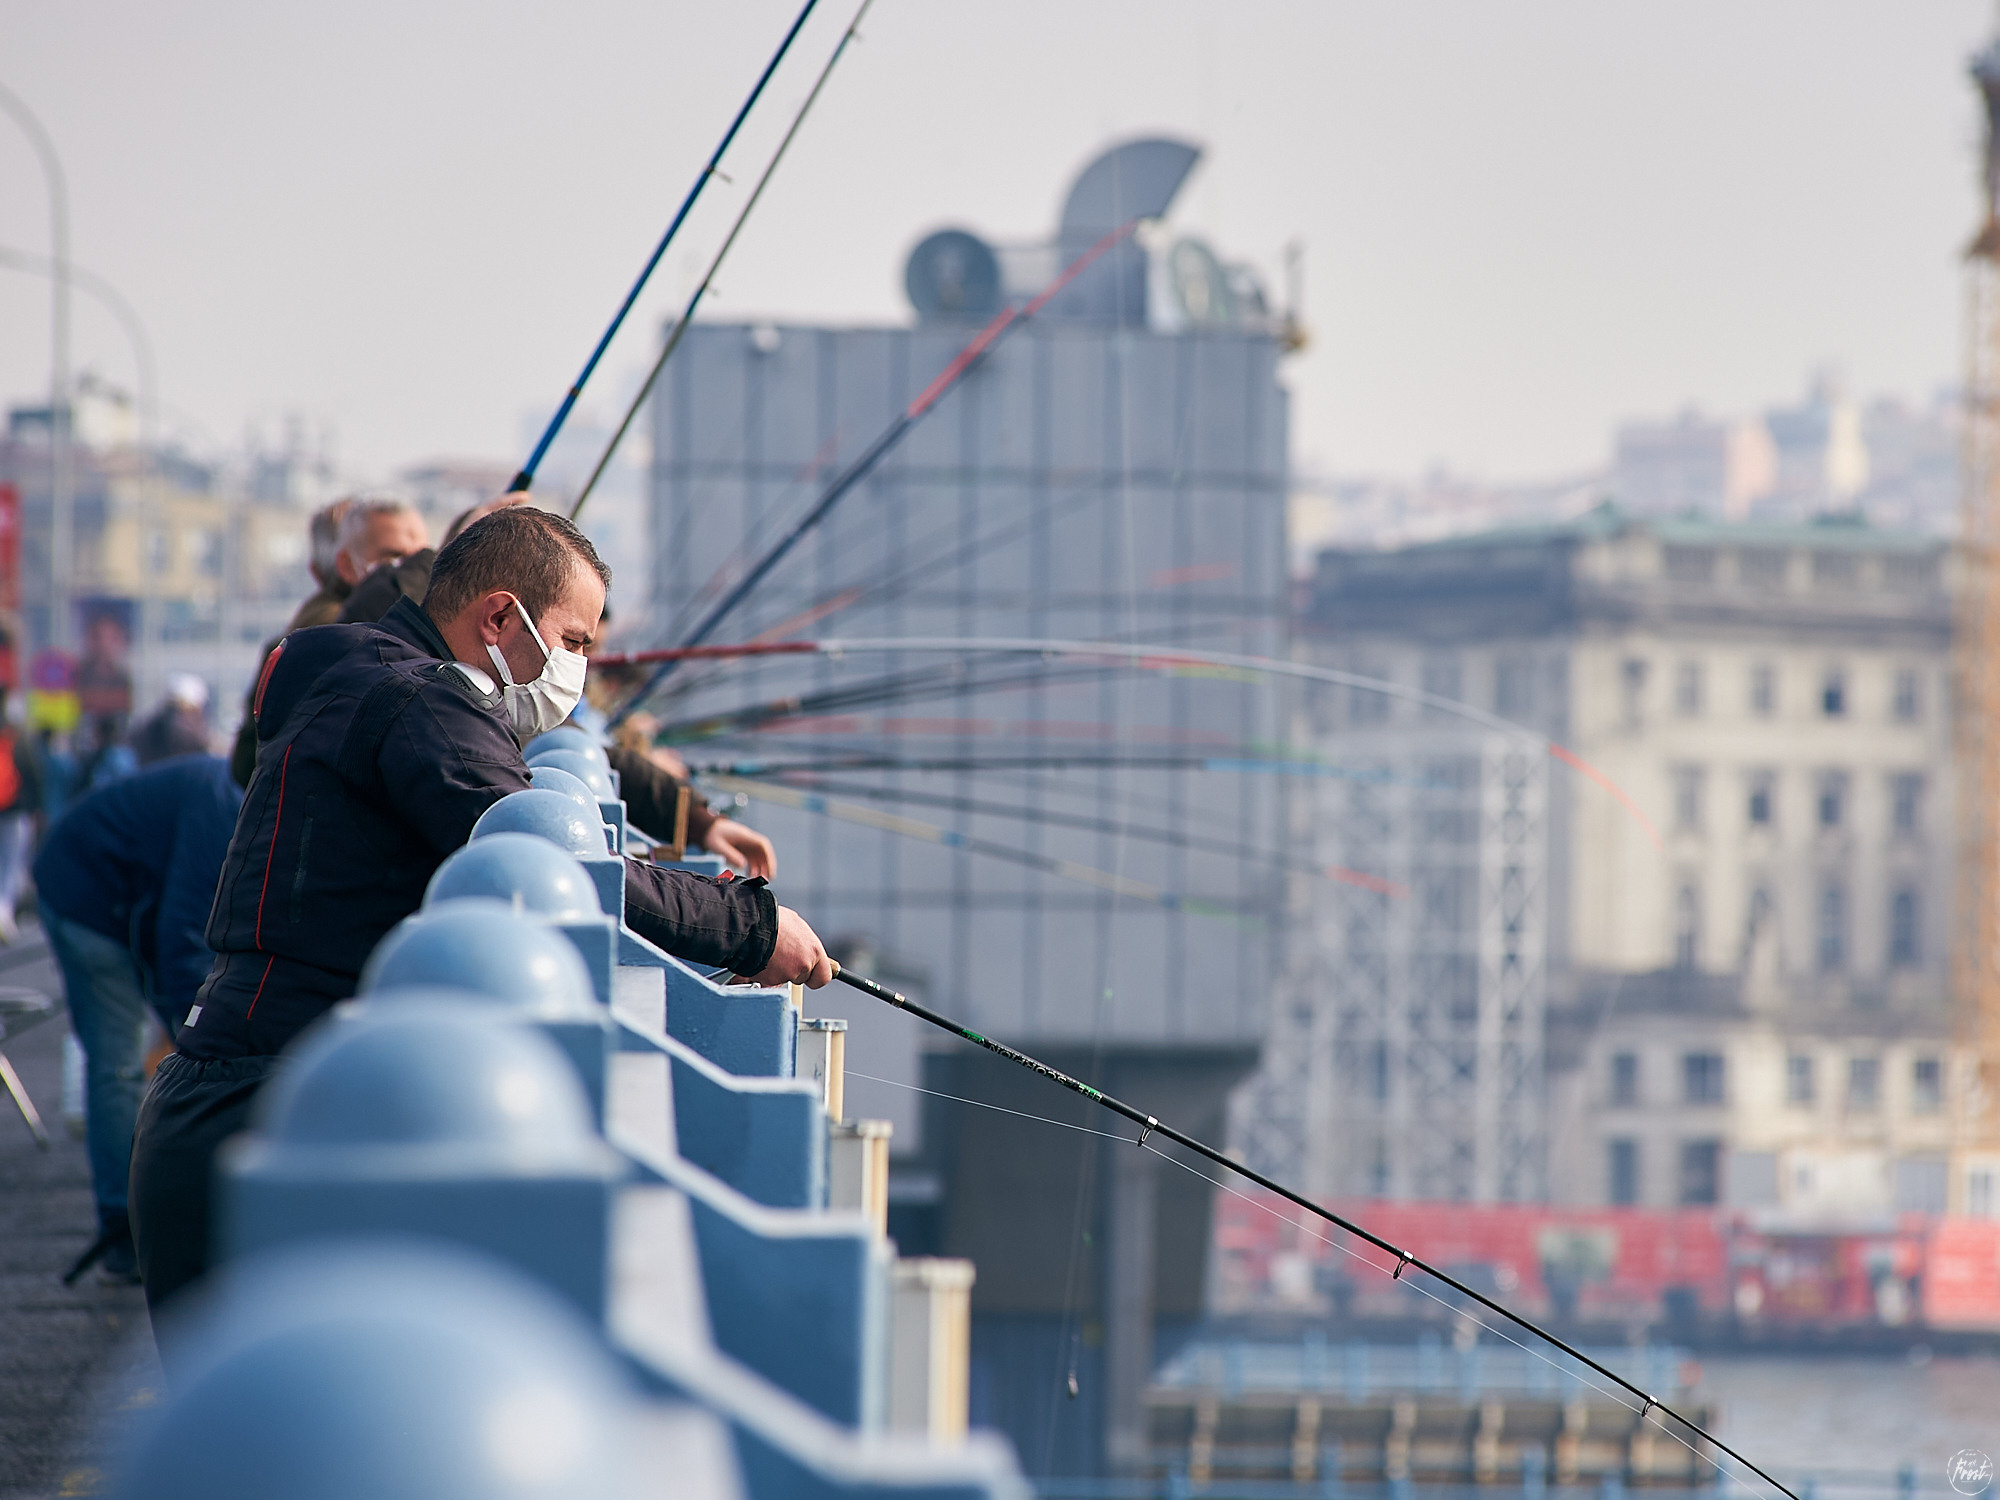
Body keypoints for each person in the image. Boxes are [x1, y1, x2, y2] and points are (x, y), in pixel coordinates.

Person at [129, 505, 834, 1315]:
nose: (578, 669)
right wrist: (749, 928)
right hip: (258, 1109)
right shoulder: (418, 706)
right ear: (499, 616)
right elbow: (555, 863)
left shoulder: (379, 677)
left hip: (251, 1099)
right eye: (574, 642)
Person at [34, 755, 243, 1283]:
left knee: (138, 1059)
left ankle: (136, 1217)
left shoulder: (235, 788)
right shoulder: (223, 802)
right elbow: (182, 936)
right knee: (118, 1065)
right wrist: (199, 1044)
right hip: (85, 898)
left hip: (115, 894)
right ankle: (121, 1231)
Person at [230, 497, 431, 786]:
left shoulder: (351, 620)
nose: (412, 575)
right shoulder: (330, 629)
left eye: (421, 562)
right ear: (347, 565)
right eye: (395, 559)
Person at [0, 688, 43, 942]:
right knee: (12, 862)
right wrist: (37, 808)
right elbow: (34, 774)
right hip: (16, 810)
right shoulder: (19, 739)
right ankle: (4, 912)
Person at [132, 674, 212, 765]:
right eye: (177, 710)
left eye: (191, 711)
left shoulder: (203, 743)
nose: (183, 719)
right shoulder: (146, 738)